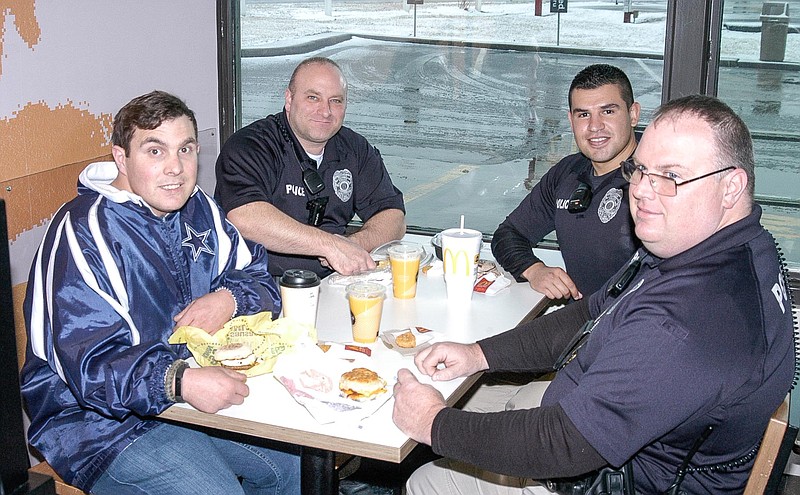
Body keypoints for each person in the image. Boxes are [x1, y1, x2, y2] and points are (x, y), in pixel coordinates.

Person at [392, 95, 795, 494]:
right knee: (462, 395)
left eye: (670, 177)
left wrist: (432, 422)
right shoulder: (723, 247)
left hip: (620, 478)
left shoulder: (686, 323)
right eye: (639, 170)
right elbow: (588, 314)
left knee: (426, 480)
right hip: (605, 427)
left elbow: (563, 443)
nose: (642, 191)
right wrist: (477, 354)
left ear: (731, 188)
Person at [20, 91, 300, 495]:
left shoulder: (198, 206)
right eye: (155, 151)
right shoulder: (83, 231)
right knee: (216, 492)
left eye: (185, 149)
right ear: (121, 158)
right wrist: (179, 381)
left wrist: (229, 299)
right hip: (97, 425)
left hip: (183, 399)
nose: (175, 168)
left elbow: (258, 277)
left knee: (294, 465)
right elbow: (91, 365)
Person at [215, 56, 406, 278]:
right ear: (289, 99)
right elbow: (245, 218)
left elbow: (393, 217)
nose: (325, 111)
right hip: (259, 284)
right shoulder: (251, 145)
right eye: (313, 98)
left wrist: (353, 243)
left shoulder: (354, 149)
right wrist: (329, 246)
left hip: (334, 279)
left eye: (336, 100)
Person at [492, 64, 641, 301]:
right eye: (584, 114)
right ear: (571, 120)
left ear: (633, 114)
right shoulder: (568, 172)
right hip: (581, 322)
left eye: (608, 112)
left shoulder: (657, 178)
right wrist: (535, 270)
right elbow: (508, 236)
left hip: (636, 325)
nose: (595, 126)